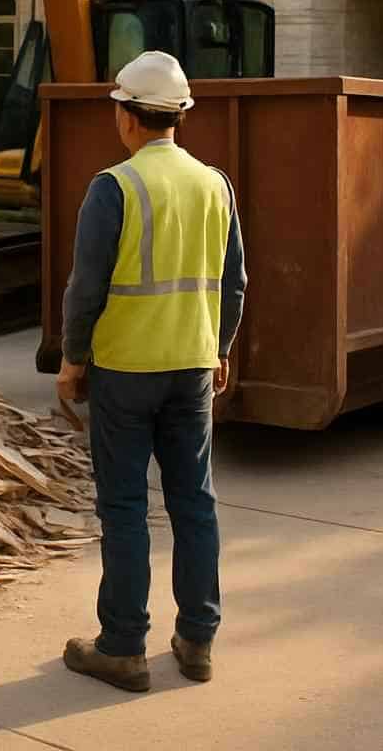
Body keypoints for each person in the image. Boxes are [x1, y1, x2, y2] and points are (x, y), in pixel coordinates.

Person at [57, 50, 247, 693]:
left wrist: (72, 360)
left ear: (126, 116)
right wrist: (219, 348)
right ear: (179, 116)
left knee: (126, 508)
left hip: (126, 371)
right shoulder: (215, 184)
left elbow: (86, 289)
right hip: (192, 368)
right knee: (195, 504)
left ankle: (123, 649)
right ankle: (197, 642)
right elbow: (234, 283)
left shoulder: (114, 187)